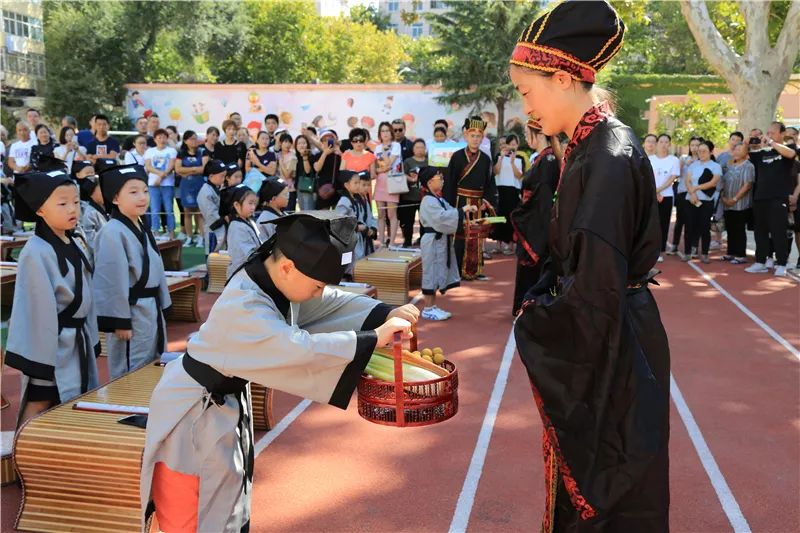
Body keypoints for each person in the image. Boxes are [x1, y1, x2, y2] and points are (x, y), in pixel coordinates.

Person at [140, 211, 417, 532]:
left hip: (216, 406)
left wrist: (383, 313)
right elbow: (295, 348)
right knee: (191, 514)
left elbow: (326, 300)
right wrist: (374, 337)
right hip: (190, 418)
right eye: (316, 285)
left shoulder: (272, 278)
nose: (319, 292)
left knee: (225, 505)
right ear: (288, 267)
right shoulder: (244, 305)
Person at [509, 1, 670, 530]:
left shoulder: (606, 154)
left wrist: (534, 321)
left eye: (528, 92)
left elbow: (596, 279)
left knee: (612, 487)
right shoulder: (584, 148)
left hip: (613, 339)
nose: (526, 108)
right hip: (611, 327)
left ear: (561, 78)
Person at [5, 169, 100, 426]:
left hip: (76, 340)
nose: (72, 209)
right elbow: (34, 310)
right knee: (40, 399)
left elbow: (87, 294)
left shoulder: (75, 242)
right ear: (39, 210)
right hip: (50, 344)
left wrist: (92, 338)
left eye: (76, 202)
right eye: (62, 203)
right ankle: (21, 458)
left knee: (75, 400)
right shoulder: (35, 252)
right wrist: (39, 360)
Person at [94, 164, 170, 380]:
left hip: (150, 309)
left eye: (145, 191)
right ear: (116, 198)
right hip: (132, 311)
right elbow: (110, 280)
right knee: (132, 369)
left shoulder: (141, 225)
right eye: (133, 192)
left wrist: (164, 305)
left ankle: (148, 412)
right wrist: (119, 321)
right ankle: (131, 414)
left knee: (154, 363)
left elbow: (157, 266)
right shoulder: (111, 232)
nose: (142, 197)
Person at [511, 122, 559, 316]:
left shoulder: (548, 160)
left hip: (537, 224)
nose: (525, 137)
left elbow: (543, 200)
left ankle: (533, 309)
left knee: (535, 268)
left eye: (526, 133)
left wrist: (521, 215)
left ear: (539, 135)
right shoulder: (542, 158)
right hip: (532, 218)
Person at [443, 116, 497, 281]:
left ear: (482, 138)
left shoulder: (486, 160)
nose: (475, 139)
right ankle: (456, 271)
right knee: (459, 236)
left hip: (477, 204)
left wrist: (486, 203)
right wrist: (450, 206)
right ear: (466, 136)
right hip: (460, 203)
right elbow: (450, 183)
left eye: (478, 136)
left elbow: (490, 185)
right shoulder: (457, 157)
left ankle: (474, 270)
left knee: (476, 236)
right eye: (472, 136)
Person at [745, 121, 797, 277]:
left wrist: (772, 143)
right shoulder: (762, 152)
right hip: (760, 197)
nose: (769, 136)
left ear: (782, 134)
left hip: (778, 198)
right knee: (760, 232)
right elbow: (744, 153)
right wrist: (750, 140)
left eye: (772, 133)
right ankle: (760, 262)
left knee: (778, 231)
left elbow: (790, 154)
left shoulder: (789, 149)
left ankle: (781, 263)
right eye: (768, 133)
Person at [418, 167, 470, 321]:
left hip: (439, 240)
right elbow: (442, 218)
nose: (442, 180)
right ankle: (427, 308)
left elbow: (450, 212)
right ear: (429, 182)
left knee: (437, 271)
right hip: (432, 240)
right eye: (438, 178)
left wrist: (464, 212)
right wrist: (461, 211)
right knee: (431, 272)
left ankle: (432, 306)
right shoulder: (428, 200)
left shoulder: (438, 198)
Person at [681, 140, 721, 264]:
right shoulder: (693, 165)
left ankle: (704, 253)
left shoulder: (715, 166)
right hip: (691, 200)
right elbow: (687, 180)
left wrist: (697, 188)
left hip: (706, 201)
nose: (701, 153)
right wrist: (692, 193)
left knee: (704, 227)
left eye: (704, 151)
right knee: (689, 226)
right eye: (699, 151)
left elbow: (713, 182)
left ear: (711, 152)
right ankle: (687, 252)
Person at [720, 142, 755, 264]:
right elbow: (723, 182)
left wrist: (734, 199)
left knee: (739, 229)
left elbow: (747, 185)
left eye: (740, 150)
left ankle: (740, 255)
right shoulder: (730, 165)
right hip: (727, 203)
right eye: (735, 149)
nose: (736, 152)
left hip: (740, 204)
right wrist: (724, 198)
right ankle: (730, 252)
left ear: (746, 152)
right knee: (730, 228)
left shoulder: (748, 166)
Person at [222, 184, 265, 278]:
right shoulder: (237, 227)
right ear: (237, 205)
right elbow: (246, 256)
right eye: (250, 203)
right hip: (241, 276)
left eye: (254, 203)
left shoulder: (249, 221)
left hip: (249, 272)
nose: (253, 207)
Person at [667, 136, 701, 255]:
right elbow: (676, 174)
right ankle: (675, 245)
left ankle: (694, 246)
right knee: (680, 220)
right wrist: (684, 163)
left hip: (696, 195)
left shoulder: (703, 160)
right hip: (683, 193)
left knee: (695, 222)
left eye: (697, 145)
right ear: (689, 147)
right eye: (692, 145)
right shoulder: (683, 158)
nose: (695, 148)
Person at [493, 134, 526, 255]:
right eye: (509, 144)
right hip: (501, 189)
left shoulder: (520, 159)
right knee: (499, 216)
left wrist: (512, 163)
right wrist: (501, 158)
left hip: (513, 191)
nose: (512, 147)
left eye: (514, 144)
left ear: (517, 145)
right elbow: (495, 171)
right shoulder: (499, 156)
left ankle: (510, 245)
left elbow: (519, 175)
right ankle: (498, 244)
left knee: (510, 216)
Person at [649, 133, 680, 262]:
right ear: (657, 144)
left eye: (666, 142)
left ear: (670, 144)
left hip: (666, 196)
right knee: (650, 223)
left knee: (663, 223)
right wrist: (654, 192)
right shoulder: (650, 159)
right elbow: (647, 177)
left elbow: (672, 178)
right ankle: (649, 250)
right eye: (661, 142)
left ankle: (660, 251)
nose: (663, 144)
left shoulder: (674, 160)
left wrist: (659, 191)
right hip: (651, 195)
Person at [175, 130, 209, 248]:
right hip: (186, 186)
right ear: (185, 141)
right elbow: (178, 169)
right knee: (187, 212)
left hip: (199, 184)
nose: (194, 141)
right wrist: (195, 169)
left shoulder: (202, 152)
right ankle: (189, 237)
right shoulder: (181, 153)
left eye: (195, 138)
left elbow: (204, 169)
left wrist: (188, 170)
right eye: (191, 139)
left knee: (200, 213)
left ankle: (201, 237)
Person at [144, 129, 178, 238]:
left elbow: (171, 166)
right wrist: (160, 175)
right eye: (159, 137)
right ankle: (155, 231)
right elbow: (148, 167)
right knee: (154, 208)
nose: (162, 140)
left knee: (169, 209)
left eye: (164, 137)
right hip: (153, 184)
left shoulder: (172, 151)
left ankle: (171, 231)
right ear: (154, 139)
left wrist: (161, 177)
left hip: (168, 184)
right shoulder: (150, 151)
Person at [373, 123, 403, 245]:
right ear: (379, 134)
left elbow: (390, 164)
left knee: (391, 214)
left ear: (391, 132)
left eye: (387, 131)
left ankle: (391, 243)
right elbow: (376, 169)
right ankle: (381, 242)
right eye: (382, 131)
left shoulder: (396, 145)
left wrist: (385, 155)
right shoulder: (377, 148)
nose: (385, 133)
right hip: (380, 182)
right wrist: (382, 168)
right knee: (380, 214)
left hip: (393, 181)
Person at [335, 170, 371, 270]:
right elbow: (339, 222)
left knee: (358, 259)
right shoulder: (344, 201)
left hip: (357, 237)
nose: (358, 185)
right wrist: (357, 227)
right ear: (346, 185)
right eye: (355, 183)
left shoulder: (357, 199)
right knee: (349, 262)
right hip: (348, 239)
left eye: (359, 182)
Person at [400, 139, 428, 247]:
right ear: (413, 149)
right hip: (409, 196)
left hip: (424, 197)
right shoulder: (408, 161)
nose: (420, 149)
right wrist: (411, 179)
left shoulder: (429, 161)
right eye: (417, 147)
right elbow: (401, 174)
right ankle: (407, 241)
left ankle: (422, 240)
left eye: (422, 147)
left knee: (424, 221)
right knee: (408, 222)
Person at [198, 159, 228, 253]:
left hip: (221, 230)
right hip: (213, 232)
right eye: (222, 176)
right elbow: (212, 217)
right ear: (211, 176)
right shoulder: (205, 192)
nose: (224, 179)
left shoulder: (216, 188)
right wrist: (226, 218)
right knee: (213, 259)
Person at [77, 177, 109, 259]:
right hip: (101, 255)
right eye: (101, 189)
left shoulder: (107, 207)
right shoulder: (90, 214)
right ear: (92, 194)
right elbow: (91, 242)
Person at [313, 130, 342, 209]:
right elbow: (317, 168)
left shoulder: (339, 154)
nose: (327, 142)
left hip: (337, 189)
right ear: (321, 142)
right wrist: (325, 153)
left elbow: (345, 167)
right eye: (325, 140)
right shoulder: (317, 155)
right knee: (323, 216)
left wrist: (340, 153)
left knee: (337, 216)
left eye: (330, 139)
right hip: (323, 189)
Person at [276, 133, 298, 211]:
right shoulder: (278, 154)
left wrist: (281, 162)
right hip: (278, 190)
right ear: (280, 143)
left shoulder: (293, 157)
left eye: (289, 142)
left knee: (288, 214)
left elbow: (287, 175)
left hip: (289, 190)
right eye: (285, 141)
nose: (288, 144)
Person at [295, 134, 316, 211]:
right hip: (299, 188)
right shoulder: (297, 157)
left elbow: (307, 172)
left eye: (304, 143)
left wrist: (305, 158)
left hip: (307, 188)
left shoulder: (310, 157)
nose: (301, 145)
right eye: (299, 143)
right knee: (302, 211)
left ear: (307, 145)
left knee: (308, 212)